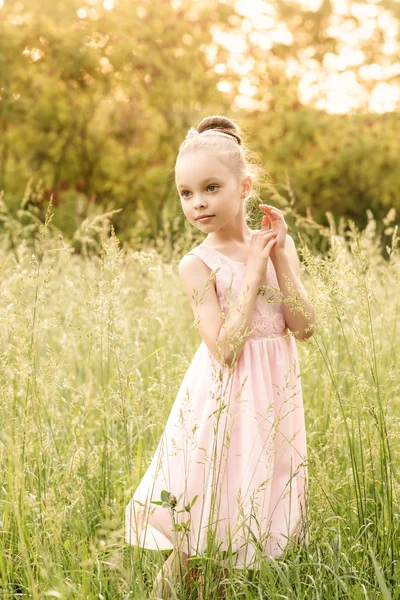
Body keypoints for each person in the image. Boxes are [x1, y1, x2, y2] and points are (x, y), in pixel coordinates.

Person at [125, 115, 316, 598]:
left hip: (272, 401)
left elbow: (305, 326)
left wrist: (274, 258)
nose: (198, 203)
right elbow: (226, 349)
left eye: (211, 187)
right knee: (203, 528)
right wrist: (252, 272)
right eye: (186, 193)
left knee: (245, 528)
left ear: (244, 185)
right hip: (225, 402)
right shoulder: (196, 264)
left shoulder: (277, 245)